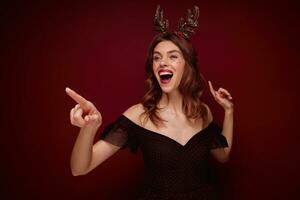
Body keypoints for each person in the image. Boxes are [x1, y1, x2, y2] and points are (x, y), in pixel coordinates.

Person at [66, 5, 233, 200]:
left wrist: (229, 111)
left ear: (187, 66)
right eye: (157, 58)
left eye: (172, 56)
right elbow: (79, 168)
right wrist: (89, 128)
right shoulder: (139, 115)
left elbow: (223, 156)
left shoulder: (202, 112)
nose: (162, 62)